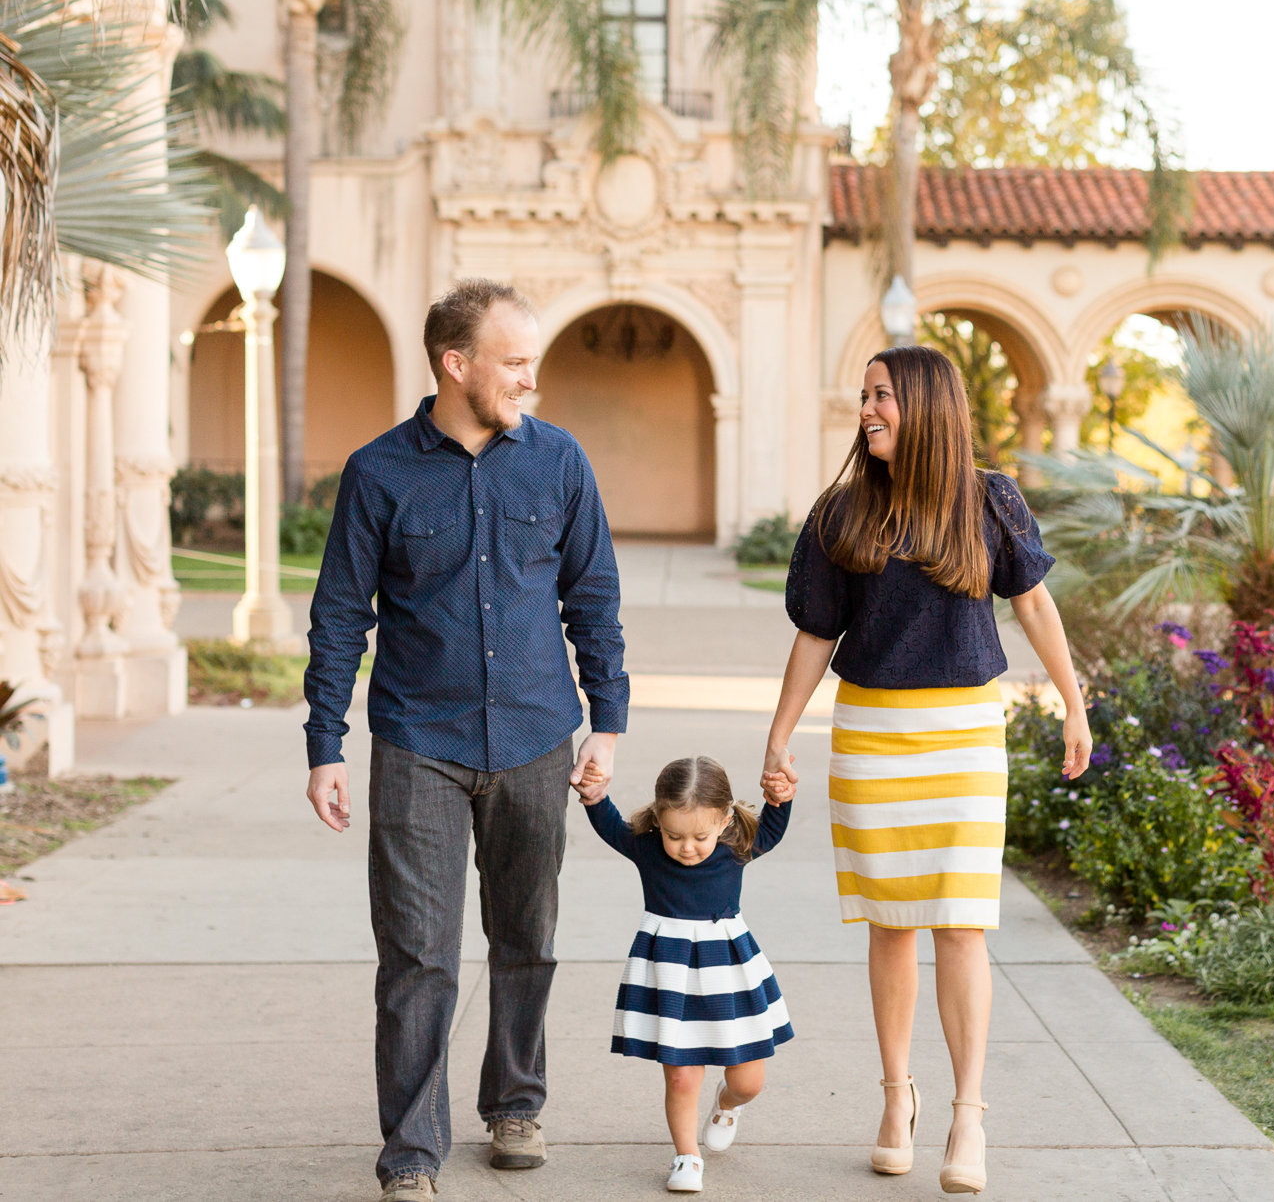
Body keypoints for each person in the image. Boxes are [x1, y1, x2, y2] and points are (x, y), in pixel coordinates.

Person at [302, 279, 629, 1202]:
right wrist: (326, 743)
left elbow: (592, 600)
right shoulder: (379, 472)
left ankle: (515, 1101)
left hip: (535, 736)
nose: (531, 379)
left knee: (528, 934)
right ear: (458, 364)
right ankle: (411, 1150)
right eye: (515, 362)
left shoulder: (559, 463)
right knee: (417, 953)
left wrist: (608, 720)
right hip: (418, 742)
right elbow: (339, 617)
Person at [762, 345, 1091, 1195]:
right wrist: (780, 735)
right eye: (865, 394)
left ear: (925, 404)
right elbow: (814, 634)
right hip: (871, 732)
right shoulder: (843, 513)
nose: (866, 408)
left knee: (961, 923)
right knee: (891, 923)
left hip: (965, 734)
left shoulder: (990, 499)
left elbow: (1035, 602)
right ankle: (896, 1097)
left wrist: (1073, 700)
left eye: (881, 395)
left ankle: (968, 1112)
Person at [571, 755, 796, 1193]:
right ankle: (686, 1156)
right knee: (680, 1073)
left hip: (727, 972)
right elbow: (611, 825)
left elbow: (771, 829)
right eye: (674, 835)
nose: (687, 847)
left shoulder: (734, 848)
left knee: (749, 1080)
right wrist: (594, 795)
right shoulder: (648, 849)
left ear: (725, 820)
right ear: (658, 819)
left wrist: (780, 798)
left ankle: (729, 1105)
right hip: (671, 973)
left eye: (700, 836)